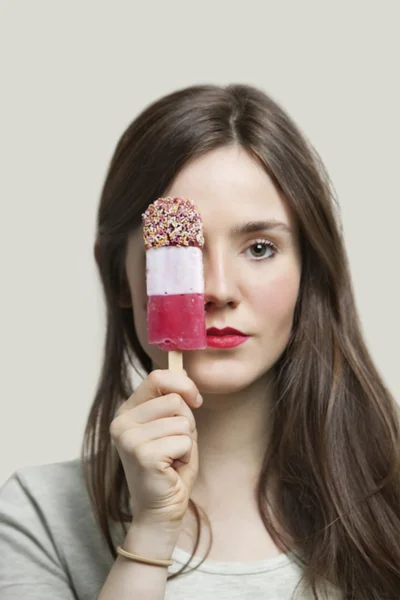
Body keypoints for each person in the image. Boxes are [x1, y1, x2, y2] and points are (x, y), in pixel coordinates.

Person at [1, 84, 399, 600]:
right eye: (179, 249)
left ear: (309, 270)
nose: (217, 289)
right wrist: (150, 533)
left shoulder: (390, 503)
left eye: (259, 248)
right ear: (120, 278)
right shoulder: (38, 518)